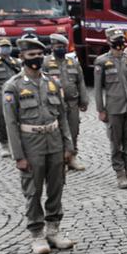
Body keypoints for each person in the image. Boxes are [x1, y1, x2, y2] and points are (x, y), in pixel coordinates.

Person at [3, 37, 75, 254]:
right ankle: (37, 233)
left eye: (39, 54)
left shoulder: (52, 83)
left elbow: (62, 116)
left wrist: (68, 145)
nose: (36, 58)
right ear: (21, 57)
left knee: (56, 188)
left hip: (54, 141)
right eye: (31, 55)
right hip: (31, 144)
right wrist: (18, 156)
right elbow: (11, 123)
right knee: (33, 192)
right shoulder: (13, 86)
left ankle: (53, 230)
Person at [94, 28, 127, 189]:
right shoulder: (101, 61)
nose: (119, 43)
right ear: (108, 41)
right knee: (116, 143)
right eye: (116, 40)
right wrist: (101, 109)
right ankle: (120, 173)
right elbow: (97, 88)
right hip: (113, 108)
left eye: (121, 40)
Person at [44, 34, 88, 172]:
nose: (61, 49)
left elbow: (80, 81)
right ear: (52, 47)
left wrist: (84, 100)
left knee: (74, 130)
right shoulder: (46, 62)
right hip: (54, 104)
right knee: (57, 132)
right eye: (58, 47)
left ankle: (72, 157)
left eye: (63, 46)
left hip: (72, 102)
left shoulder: (72, 62)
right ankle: (60, 160)